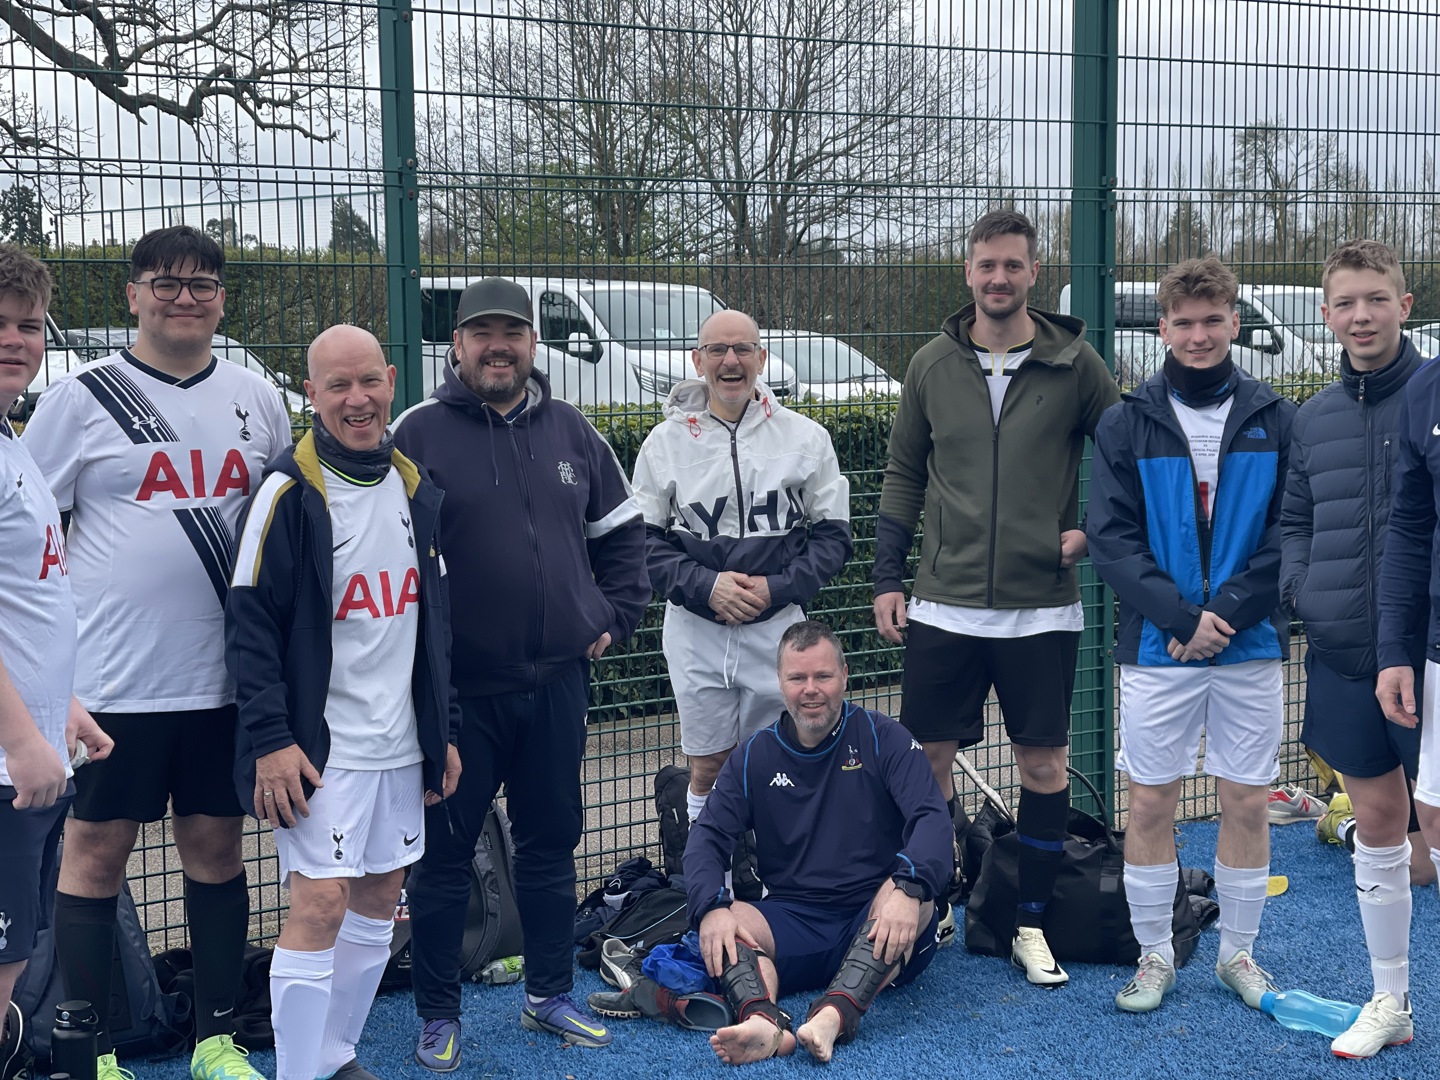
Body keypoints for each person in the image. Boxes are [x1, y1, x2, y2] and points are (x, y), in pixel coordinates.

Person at [22, 225, 292, 1080]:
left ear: (222, 297)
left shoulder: (259, 398)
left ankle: (216, 1037)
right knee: (94, 854)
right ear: (132, 293)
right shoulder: (79, 398)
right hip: (111, 686)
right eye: (166, 282)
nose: (186, 297)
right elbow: (30, 530)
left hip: (223, 686)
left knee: (216, 849)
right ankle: (87, 1044)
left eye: (203, 283)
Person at [392, 277, 650, 1065]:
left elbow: (625, 536)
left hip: (555, 686)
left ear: (533, 344)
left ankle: (548, 996)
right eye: (482, 333)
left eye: (513, 332)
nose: (498, 346)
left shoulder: (574, 431)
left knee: (550, 845)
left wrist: (612, 616)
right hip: (456, 696)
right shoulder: (416, 432)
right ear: (457, 346)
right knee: (440, 859)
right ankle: (439, 1013)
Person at [872, 208, 1120, 985]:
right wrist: (887, 577)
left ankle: (1032, 923)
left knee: (1043, 766)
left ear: (1033, 273)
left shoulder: (1078, 362)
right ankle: (933, 900)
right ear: (968, 272)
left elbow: (1125, 456)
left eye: (1013, 265)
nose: (999, 279)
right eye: (987, 266)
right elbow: (904, 475)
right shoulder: (929, 366)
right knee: (926, 762)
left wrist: (1093, 532)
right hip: (943, 605)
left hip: (1042, 608)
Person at [226, 325, 462, 1080]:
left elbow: (435, 627)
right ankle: (298, 1073)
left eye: (369, 382)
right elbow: (248, 623)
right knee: (319, 905)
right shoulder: (286, 493)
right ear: (311, 394)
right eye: (337, 386)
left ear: (392, 380)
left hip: (399, 744)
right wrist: (269, 738)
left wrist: (442, 731)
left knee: (380, 897)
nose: (357, 400)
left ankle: (333, 1055)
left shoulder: (414, 486)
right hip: (318, 750)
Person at [1087, 256, 1294, 1015]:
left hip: (1248, 645)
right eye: (1184, 322)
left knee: (1244, 802)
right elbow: (1110, 538)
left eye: (1214, 320)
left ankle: (1238, 956)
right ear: (1163, 329)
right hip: (1158, 647)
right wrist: (1180, 619)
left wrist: (1227, 613)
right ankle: (1154, 955)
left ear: (1235, 323)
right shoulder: (1125, 420)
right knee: (1150, 805)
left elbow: (1289, 532)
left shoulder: (1277, 416)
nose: (1200, 334)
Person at [1282, 240, 1437, 1058]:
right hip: (1346, 656)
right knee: (1378, 824)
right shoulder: (1311, 417)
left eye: (1376, 298)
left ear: (1405, 305)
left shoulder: (1435, 393)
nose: (1362, 316)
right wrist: (1306, 593)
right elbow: (1295, 522)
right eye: (1346, 302)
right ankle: (1392, 1001)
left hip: (1431, 656)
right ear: (1326, 313)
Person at [685, 620, 950, 1066]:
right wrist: (709, 906)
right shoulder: (753, 756)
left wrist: (908, 886)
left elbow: (933, 820)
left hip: (873, 914)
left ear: (845, 677)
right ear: (780, 684)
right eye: (798, 678)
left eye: (823, 676)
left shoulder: (884, 738)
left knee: (914, 896)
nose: (811, 690)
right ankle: (761, 1021)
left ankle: (834, 1015)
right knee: (728, 919)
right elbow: (707, 838)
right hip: (793, 917)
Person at [631, 308, 851, 829]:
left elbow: (834, 538)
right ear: (697, 359)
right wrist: (706, 587)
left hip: (778, 628)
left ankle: (774, 882)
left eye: (743, 349)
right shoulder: (663, 443)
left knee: (775, 760)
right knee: (707, 764)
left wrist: (777, 588)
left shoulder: (805, 437)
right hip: (696, 629)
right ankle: (710, 876)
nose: (731, 361)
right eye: (717, 350)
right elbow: (640, 542)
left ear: (762, 358)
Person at [0, 244, 113, 1078]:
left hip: (32, 754)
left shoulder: (12, 441)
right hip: (9, 766)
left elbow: (29, 596)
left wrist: (60, 708)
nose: (14, 338)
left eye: (28, 324)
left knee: (9, 977)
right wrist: (20, 740)